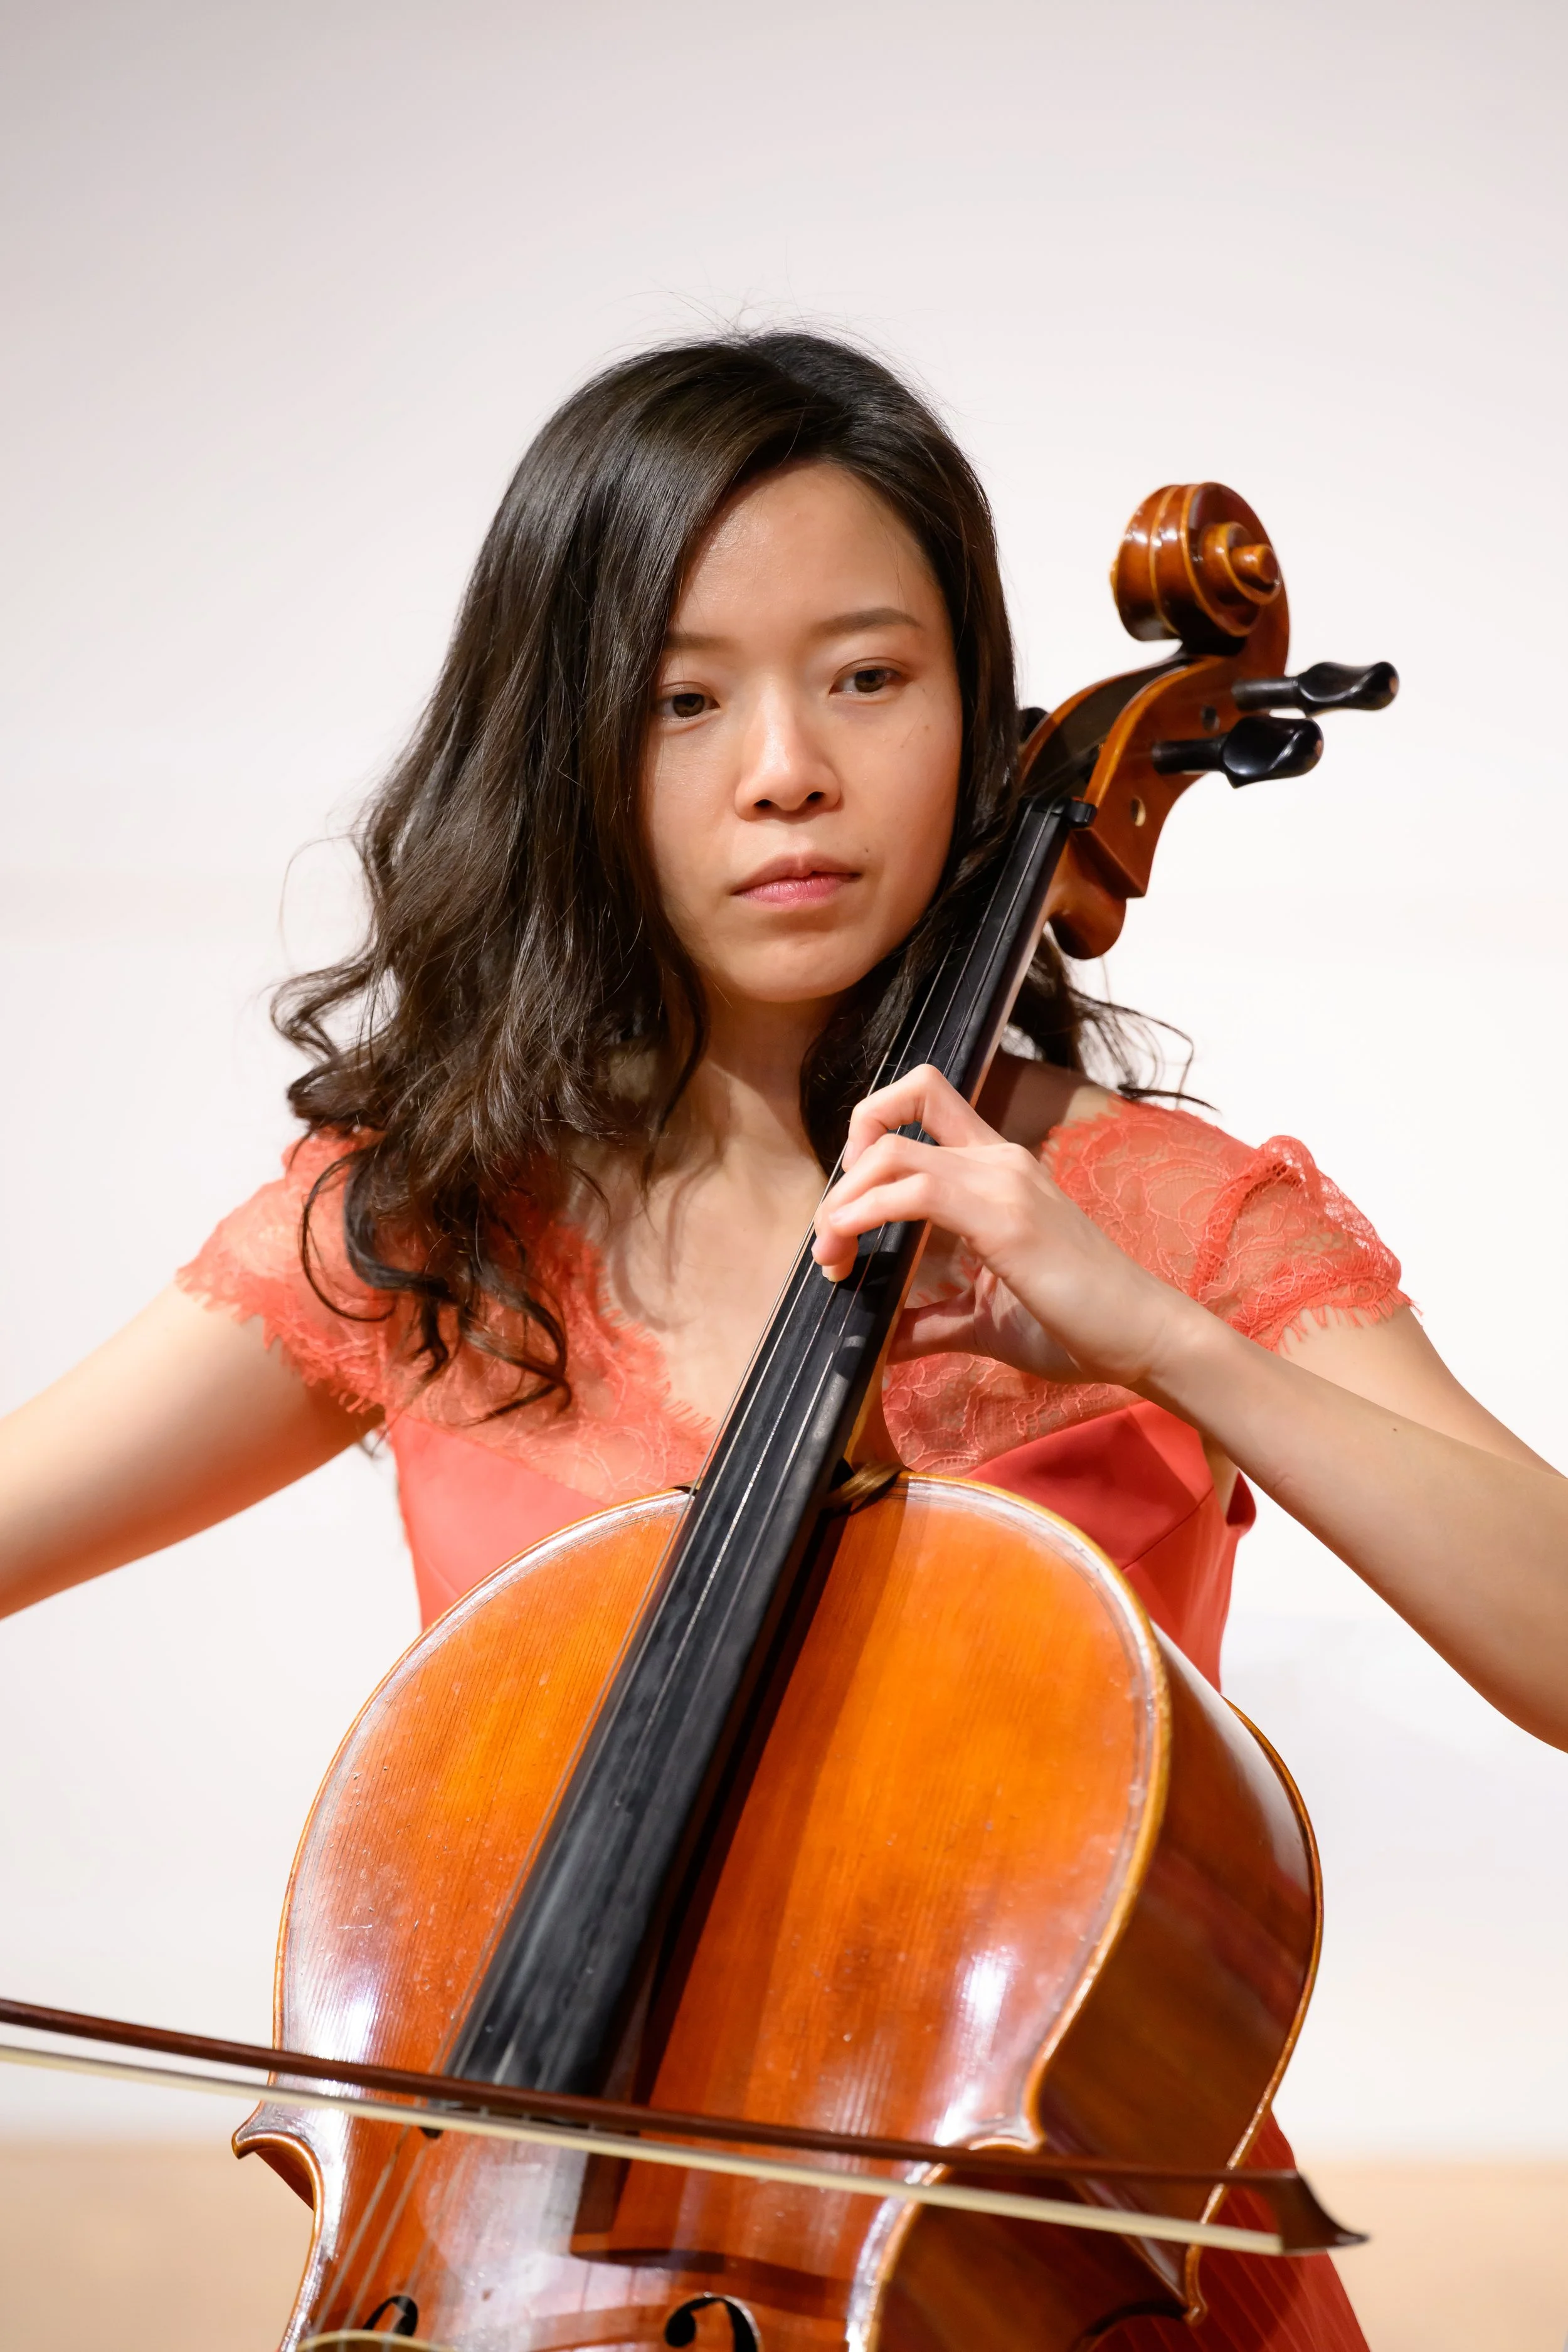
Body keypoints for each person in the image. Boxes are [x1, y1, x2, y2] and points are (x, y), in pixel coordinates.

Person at [2, 332, 1564, 2349]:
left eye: (865, 674)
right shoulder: (429, 1229)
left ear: (983, 726)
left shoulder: (1155, 1215)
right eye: (682, 696)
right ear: (564, 742)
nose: (784, 770)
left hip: (1057, 2294)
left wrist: (1165, 1337)